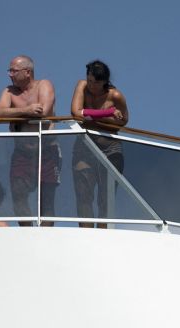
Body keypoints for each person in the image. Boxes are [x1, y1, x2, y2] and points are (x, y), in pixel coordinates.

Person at [0, 55, 60, 226]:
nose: (10, 75)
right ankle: (27, 232)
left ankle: (44, 237)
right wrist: (28, 110)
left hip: (46, 150)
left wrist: (16, 113)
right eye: (9, 71)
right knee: (18, 192)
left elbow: (43, 112)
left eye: (13, 71)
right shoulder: (9, 91)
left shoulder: (43, 85)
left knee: (46, 199)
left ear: (27, 72)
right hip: (22, 152)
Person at [70, 60, 129, 228]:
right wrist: (107, 113)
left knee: (106, 198)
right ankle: (86, 234)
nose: (91, 85)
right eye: (89, 80)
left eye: (95, 82)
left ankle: (103, 235)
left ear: (104, 82)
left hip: (110, 147)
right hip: (84, 145)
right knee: (83, 193)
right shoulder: (81, 86)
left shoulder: (115, 96)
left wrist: (91, 115)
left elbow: (122, 121)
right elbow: (75, 113)